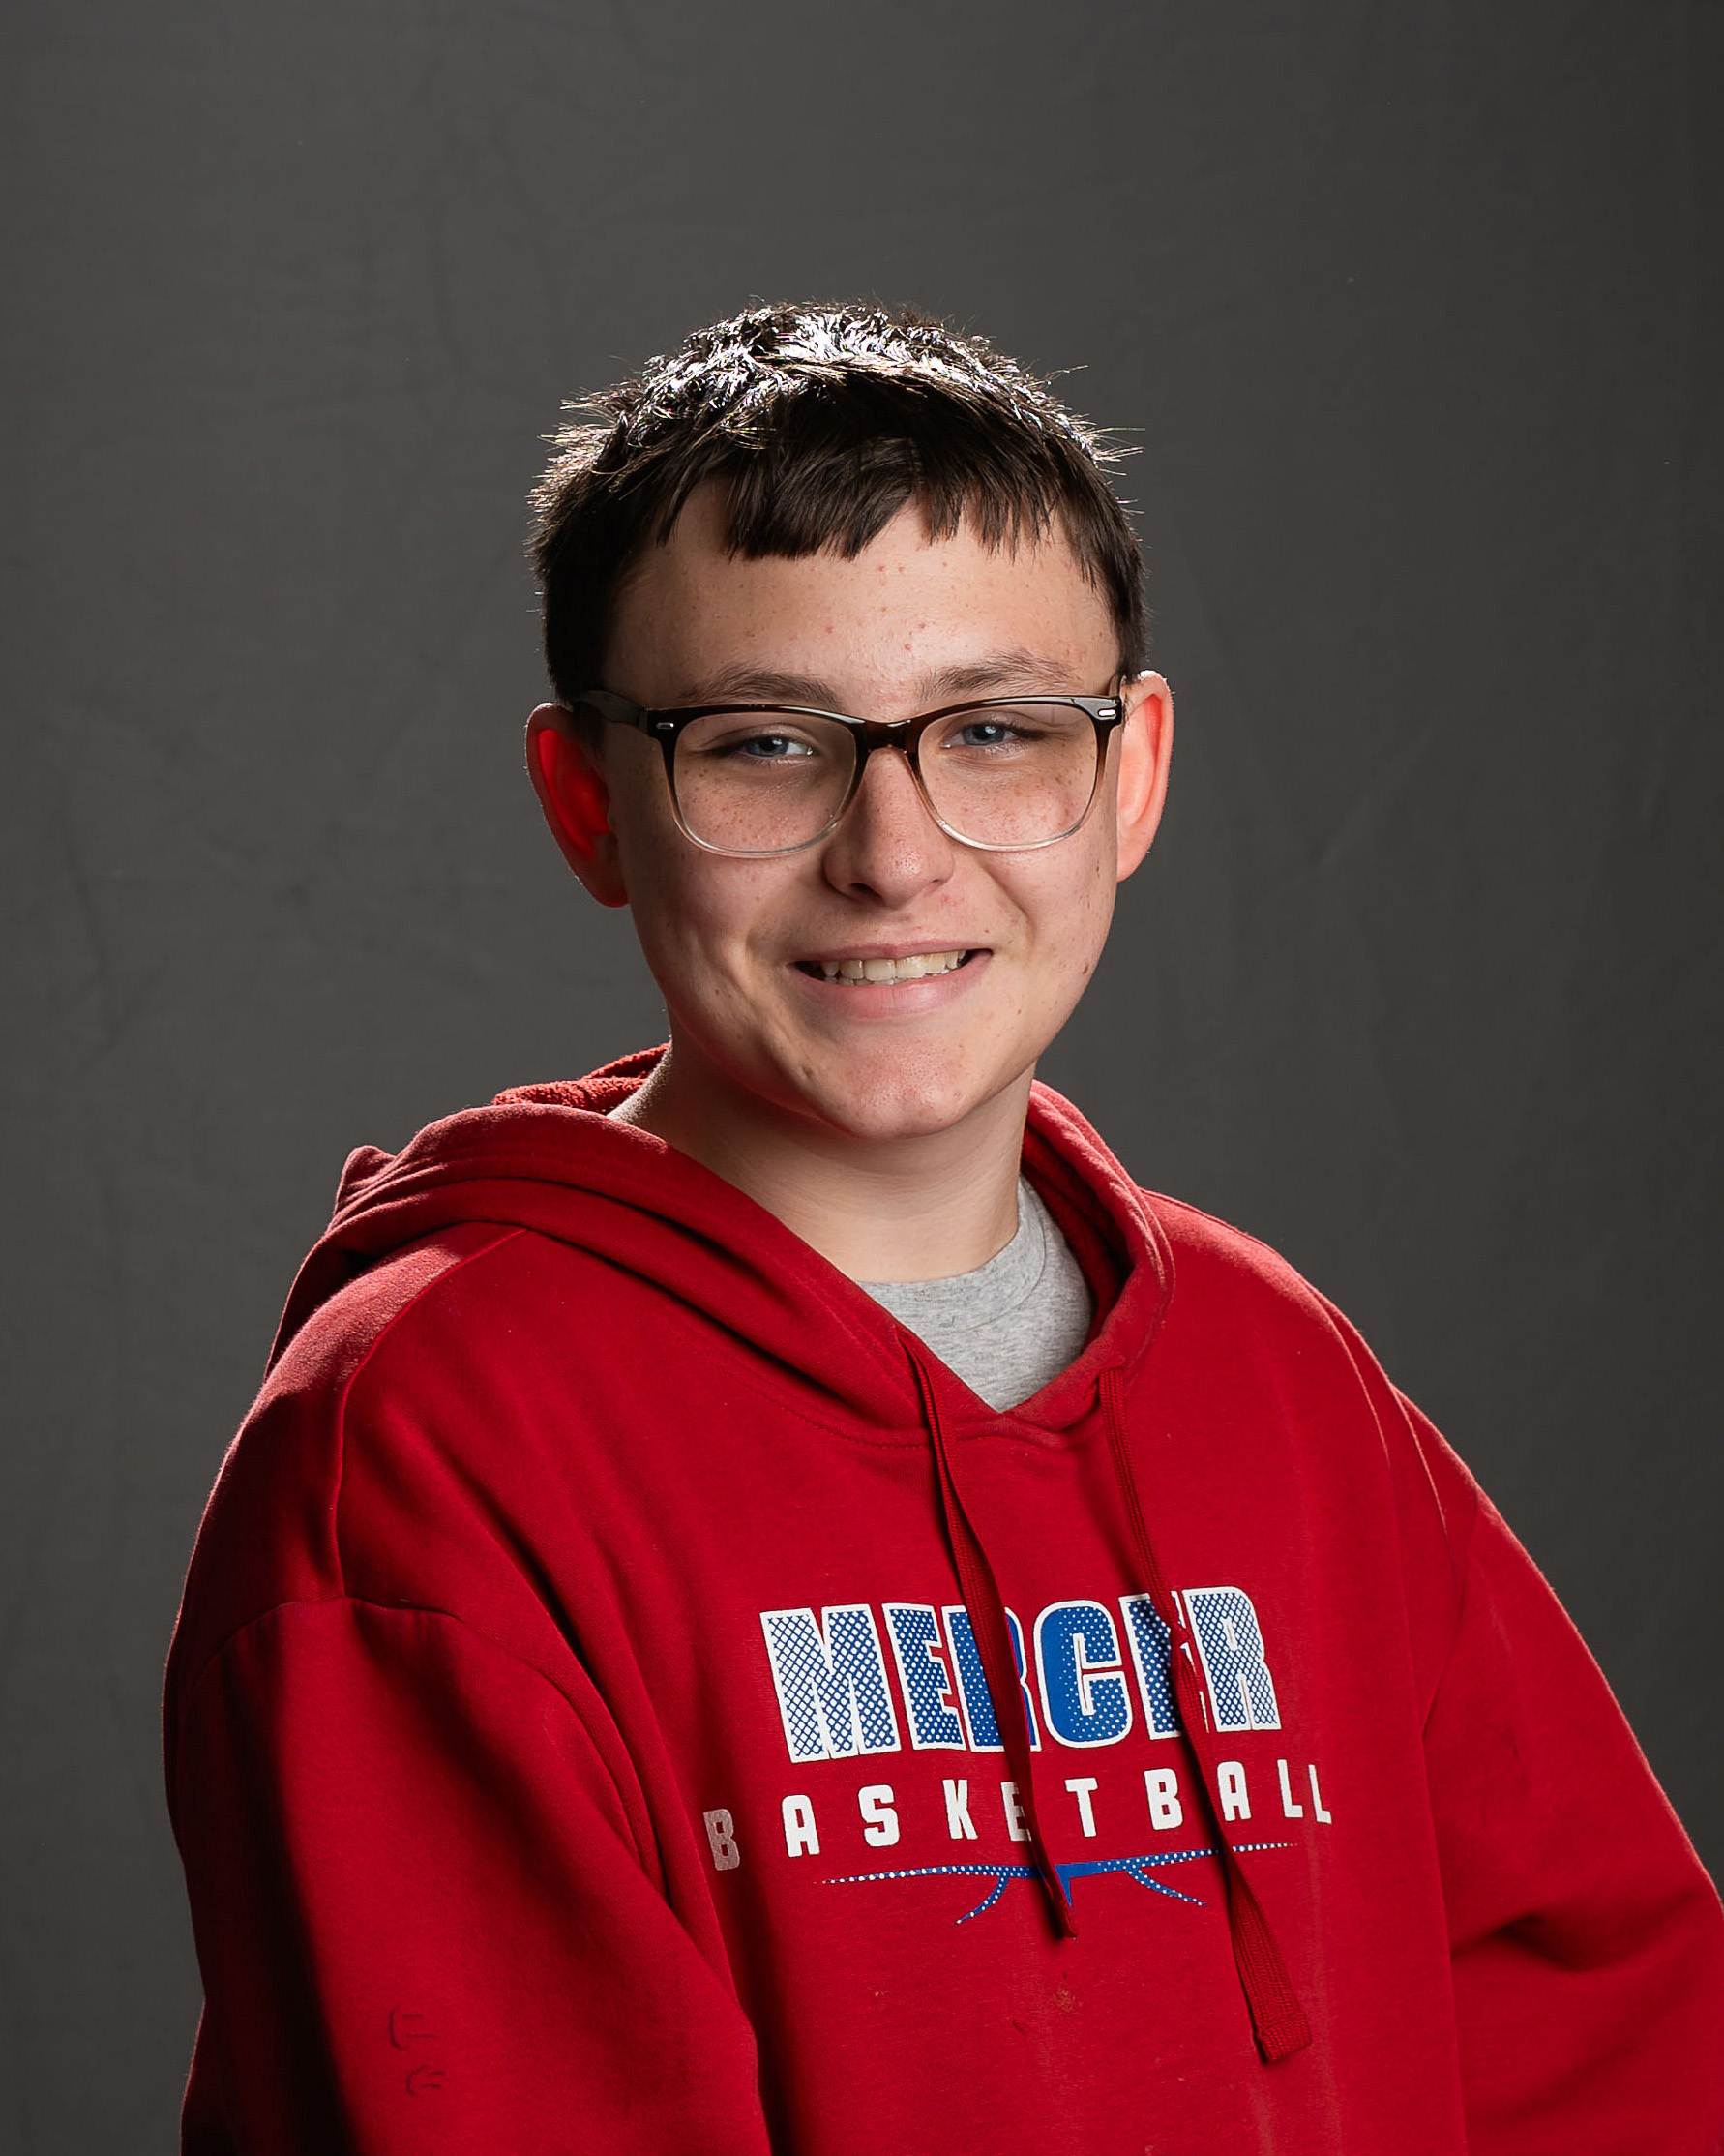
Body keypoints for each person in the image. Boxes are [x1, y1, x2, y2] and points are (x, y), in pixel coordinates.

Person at [164, 301, 1724, 2155]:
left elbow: (1611, 2039)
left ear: (1128, 775)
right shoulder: (425, 1446)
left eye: (993, 730)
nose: (893, 855)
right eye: (762, 743)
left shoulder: (1275, 1370)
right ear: (592, 803)